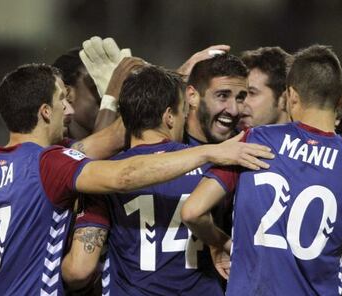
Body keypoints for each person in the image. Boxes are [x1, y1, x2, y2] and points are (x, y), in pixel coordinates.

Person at [0, 63, 272, 295]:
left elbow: (79, 269)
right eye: (62, 99)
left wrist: (127, 95)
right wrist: (210, 152)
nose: (70, 110)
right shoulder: (54, 163)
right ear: (45, 111)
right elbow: (124, 174)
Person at [182, 45, 342, 295]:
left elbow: (192, 211)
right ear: (340, 99)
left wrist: (219, 242)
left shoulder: (253, 141)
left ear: (291, 96)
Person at [62, 66, 249, 295]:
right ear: (169, 117)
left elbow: (79, 270)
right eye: (183, 111)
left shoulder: (103, 176)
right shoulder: (214, 167)